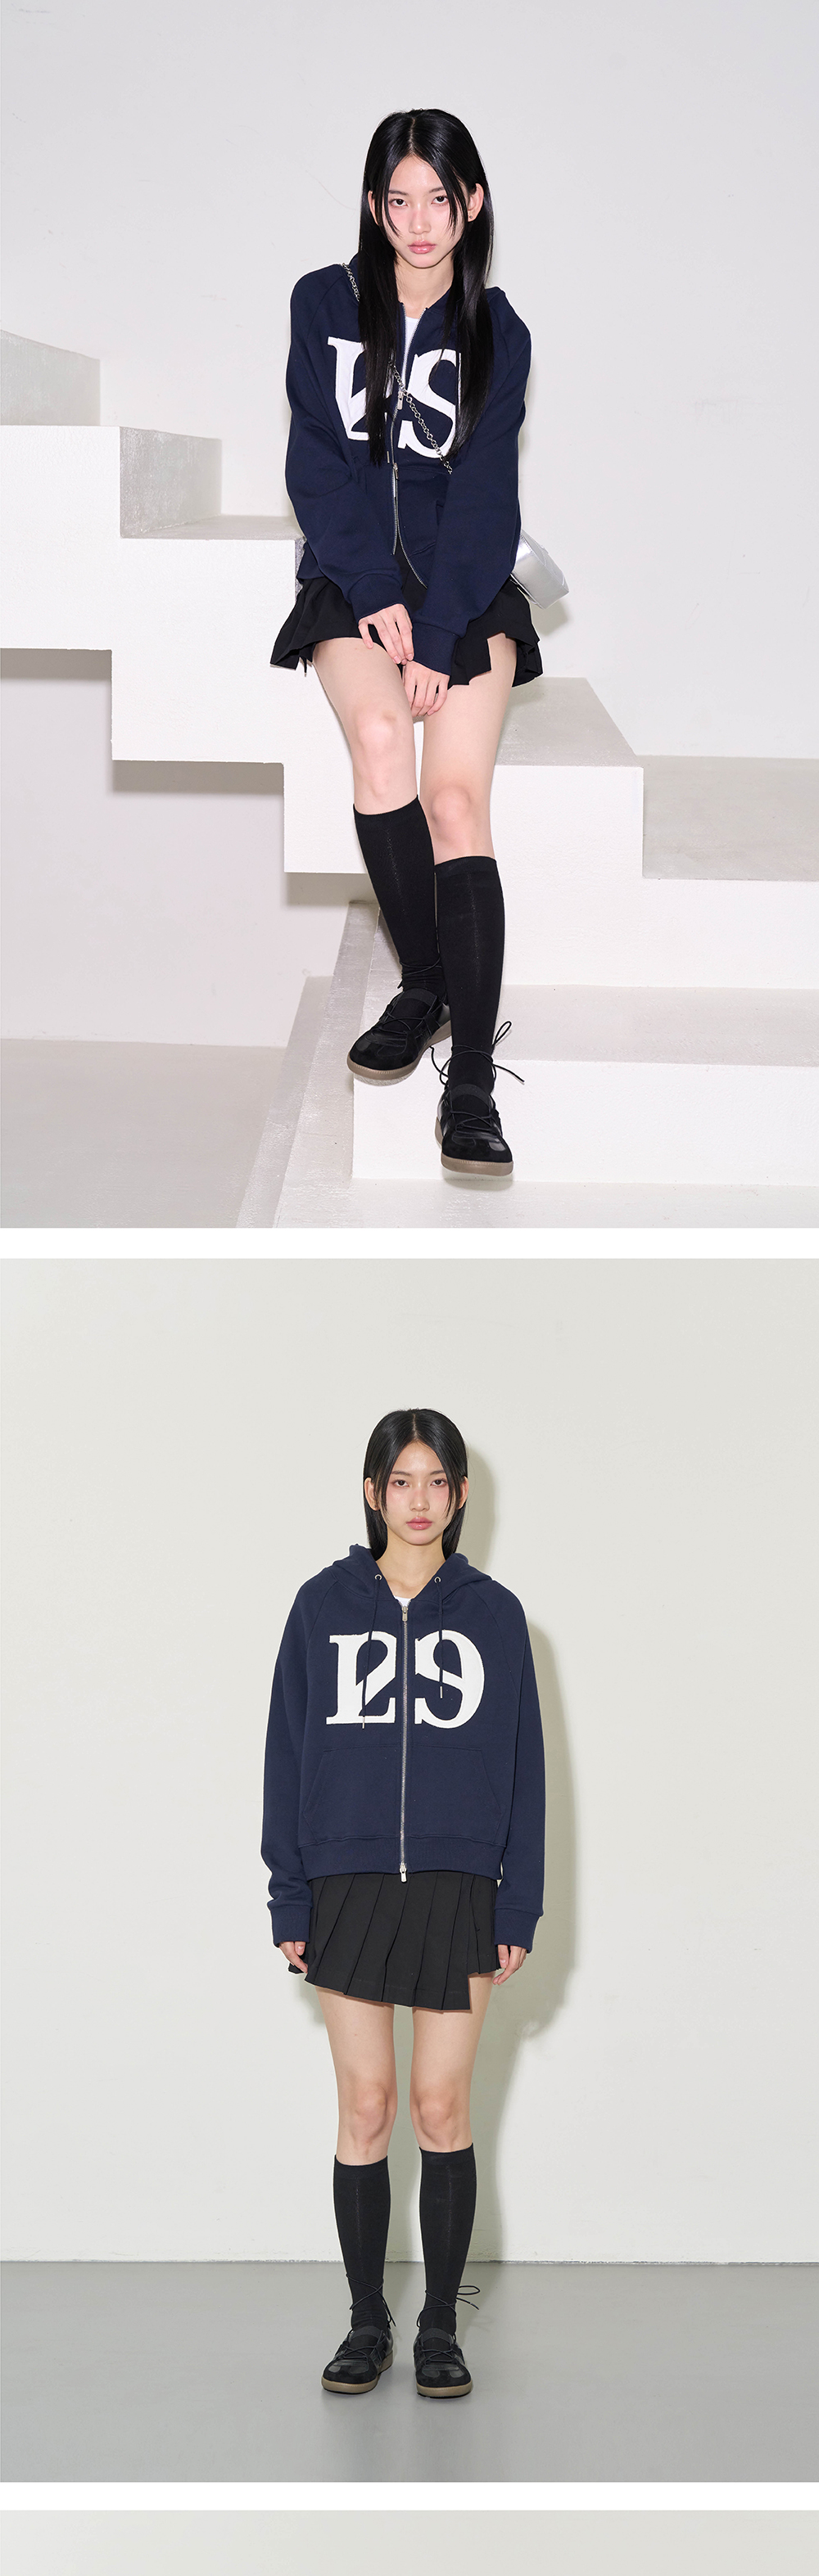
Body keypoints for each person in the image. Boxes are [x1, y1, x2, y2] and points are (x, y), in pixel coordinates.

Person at [271, 106, 541, 1182]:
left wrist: (436, 629)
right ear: (374, 205)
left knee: (455, 801)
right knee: (381, 739)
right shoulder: (323, 304)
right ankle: (423, 983)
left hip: (463, 588)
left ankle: (471, 1078)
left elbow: (485, 497)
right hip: (352, 580)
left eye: (439, 198)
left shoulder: (498, 332)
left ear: (471, 203)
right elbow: (317, 464)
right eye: (399, 200)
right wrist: (374, 592)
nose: (419, 222)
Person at [261, 1405, 545, 2398]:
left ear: (459, 1496)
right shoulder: (320, 1606)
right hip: (344, 1885)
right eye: (401, 1480)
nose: (418, 1500)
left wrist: (517, 1906)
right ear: (372, 1492)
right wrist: (288, 1894)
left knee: (438, 2105)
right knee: (368, 2106)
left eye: (436, 1481)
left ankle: (437, 2328)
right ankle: (364, 2322)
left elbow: (526, 1770)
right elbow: (285, 1755)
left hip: (459, 1887)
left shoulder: (495, 1615)